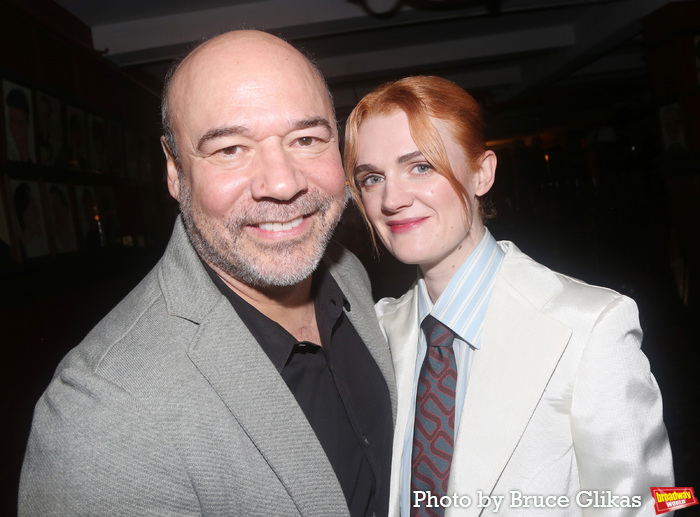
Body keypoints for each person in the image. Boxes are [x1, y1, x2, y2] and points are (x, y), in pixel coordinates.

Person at [19, 30, 395, 516]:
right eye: (230, 149)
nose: (282, 183)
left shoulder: (348, 273)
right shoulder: (100, 417)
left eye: (305, 139)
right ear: (175, 171)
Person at [343, 76, 673, 516]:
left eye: (421, 166)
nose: (392, 198)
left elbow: (654, 503)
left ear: (482, 173)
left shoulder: (590, 326)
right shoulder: (377, 331)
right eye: (371, 178)